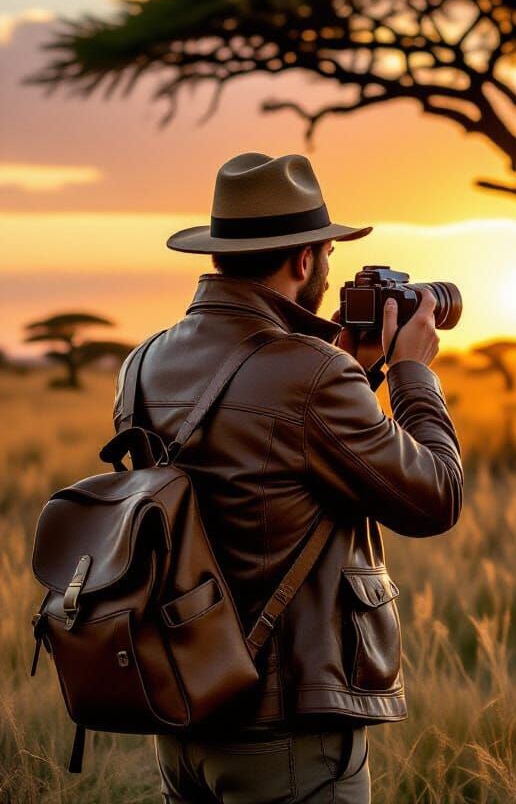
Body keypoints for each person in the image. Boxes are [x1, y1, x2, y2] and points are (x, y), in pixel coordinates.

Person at [114, 151, 463, 803]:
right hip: (288, 736)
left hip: (183, 713)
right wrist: (413, 373)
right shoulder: (312, 375)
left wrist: (353, 373)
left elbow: (255, 471)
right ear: (304, 260)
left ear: (218, 255)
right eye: (326, 255)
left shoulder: (143, 364)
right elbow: (437, 497)